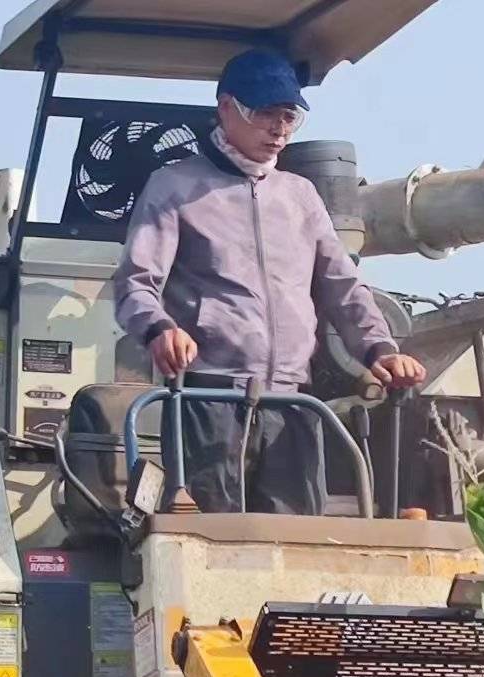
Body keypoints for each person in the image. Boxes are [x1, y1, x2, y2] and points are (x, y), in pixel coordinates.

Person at [114, 48, 425, 514]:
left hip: (293, 402)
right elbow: (135, 283)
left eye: (289, 117)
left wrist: (381, 350)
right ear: (225, 108)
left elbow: (343, 285)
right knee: (208, 537)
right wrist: (160, 329)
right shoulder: (174, 187)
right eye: (265, 115)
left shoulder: (300, 196)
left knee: (296, 539)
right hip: (207, 398)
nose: (279, 129)